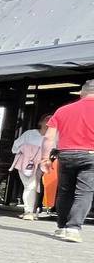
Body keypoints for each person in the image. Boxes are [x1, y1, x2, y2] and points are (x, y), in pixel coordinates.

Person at [41, 79, 94, 243]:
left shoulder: (63, 110)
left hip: (66, 154)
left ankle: (62, 227)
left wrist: (45, 158)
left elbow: (48, 137)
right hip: (91, 155)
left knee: (65, 191)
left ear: (82, 93)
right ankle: (73, 228)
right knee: (84, 192)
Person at [10, 116, 49, 220]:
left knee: (36, 187)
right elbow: (15, 147)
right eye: (47, 120)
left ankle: (32, 210)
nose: (49, 122)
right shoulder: (30, 134)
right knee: (30, 186)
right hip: (25, 163)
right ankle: (29, 211)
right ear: (41, 122)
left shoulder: (54, 137)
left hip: (42, 165)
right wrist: (27, 152)